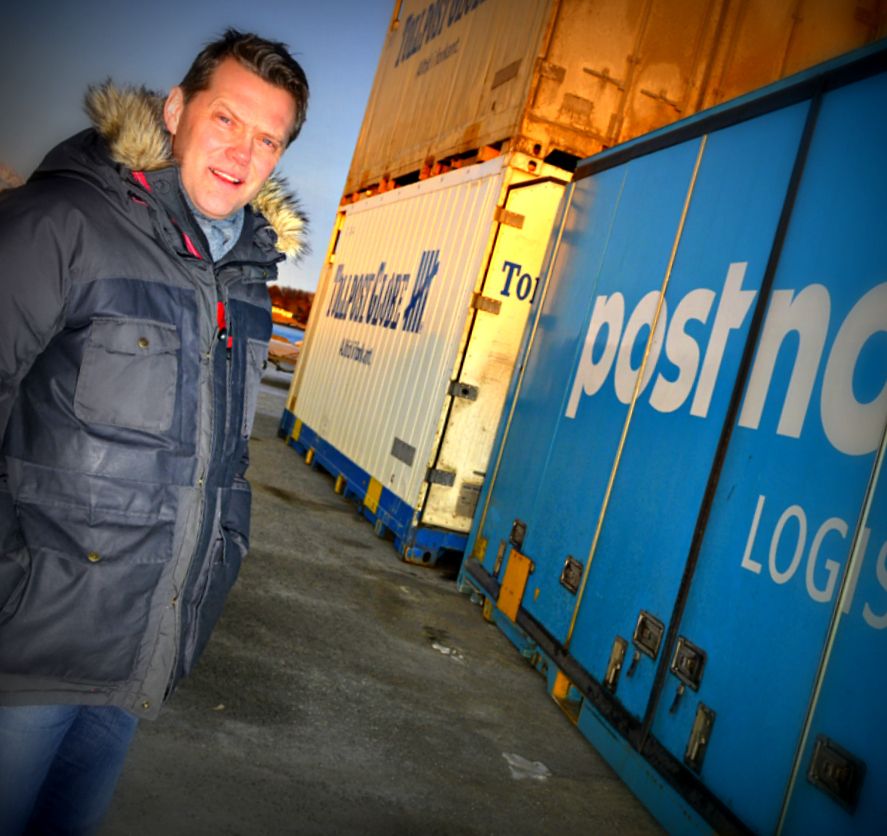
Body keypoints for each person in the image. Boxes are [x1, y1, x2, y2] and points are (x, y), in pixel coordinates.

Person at [0, 29, 308, 834]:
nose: (242, 152)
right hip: (26, 647)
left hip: (141, 647)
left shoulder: (243, 281)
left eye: (267, 139)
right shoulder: (62, 222)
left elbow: (219, 462)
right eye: (226, 119)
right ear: (175, 110)